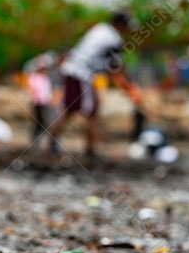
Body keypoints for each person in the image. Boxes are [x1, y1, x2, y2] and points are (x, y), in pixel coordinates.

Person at [49, 9, 141, 157]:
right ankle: (90, 149)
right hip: (81, 73)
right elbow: (115, 68)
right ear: (119, 24)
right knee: (91, 111)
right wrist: (128, 86)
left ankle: (55, 143)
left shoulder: (100, 29)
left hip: (73, 70)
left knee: (71, 109)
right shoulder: (113, 38)